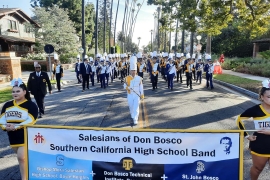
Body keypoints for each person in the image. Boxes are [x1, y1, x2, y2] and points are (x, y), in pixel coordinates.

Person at [0, 78, 38, 180]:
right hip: (12, 137)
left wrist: (15, 126)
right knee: (23, 159)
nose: (15, 93)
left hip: (26, 135)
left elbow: (31, 120)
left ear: (24, 92)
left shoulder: (31, 105)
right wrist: (6, 127)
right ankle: (31, 171)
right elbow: (2, 120)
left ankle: (24, 178)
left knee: (21, 157)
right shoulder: (7, 105)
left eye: (18, 91)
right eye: (13, 91)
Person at [236, 79, 270, 180]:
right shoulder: (256, 110)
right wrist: (246, 135)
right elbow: (238, 120)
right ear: (262, 97)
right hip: (260, 143)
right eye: (269, 97)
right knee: (257, 168)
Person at [123, 56, 144, 125]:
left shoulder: (139, 78)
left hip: (137, 95)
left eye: (134, 70)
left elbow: (141, 87)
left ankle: (135, 118)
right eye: (132, 70)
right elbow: (124, 86)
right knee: (130, 105)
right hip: (130, 94)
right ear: (130, 71)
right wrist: (127, 88)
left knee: (136, 106)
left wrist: (142, 94)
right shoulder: (127, 78)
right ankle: (132, 114)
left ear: (136, 71)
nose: (133, 72)